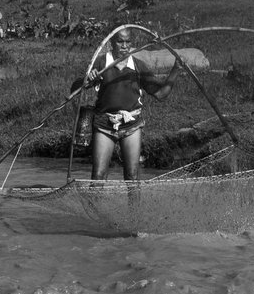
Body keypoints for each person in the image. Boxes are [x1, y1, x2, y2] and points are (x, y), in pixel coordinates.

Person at [74, 28, 179, 180]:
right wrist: (88, 80)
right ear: (111, 43)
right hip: (104, 124)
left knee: (132, 176)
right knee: (98, 175)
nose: (124, 46)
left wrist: (175, 70)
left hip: (131, 125)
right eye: (120, 41)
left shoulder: (137, 66)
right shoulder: (101, 62)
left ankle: (134, 205)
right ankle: (94, 204)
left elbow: (161, 94)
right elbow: (76, 88)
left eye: (127, 42)